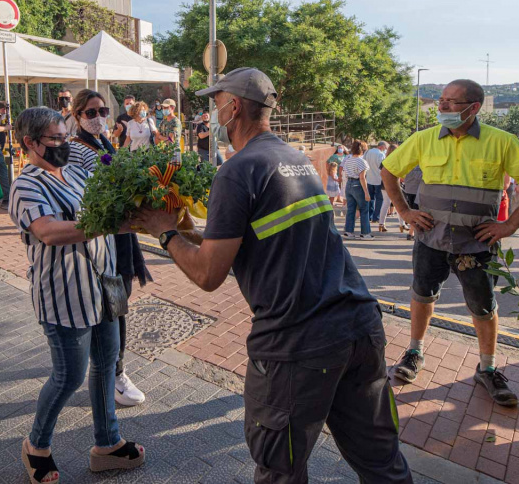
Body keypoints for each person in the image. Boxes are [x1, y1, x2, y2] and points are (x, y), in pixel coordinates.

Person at [134, 67, 411, 483]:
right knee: (380, 460)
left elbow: (209, 274)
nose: (213, 112)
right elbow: (255, 242)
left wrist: (164, 231)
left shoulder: (237, 170)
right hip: (359, 326)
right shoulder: (295, 160)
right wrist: (189, 229)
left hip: (298, 342)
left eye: (216, 103)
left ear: (235, 107)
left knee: (279, 467)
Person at [381, 79, 519, 406]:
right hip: (430, 240)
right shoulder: (424, 138)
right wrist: (405, 211)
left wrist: (509, 225)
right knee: (422, 295)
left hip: (476, 246)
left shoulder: (501, 142)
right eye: (441, 100)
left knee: (483, 306)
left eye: (450, 102)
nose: (441, 107)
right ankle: (414, 352)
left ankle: (487, 368)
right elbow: (389, 171)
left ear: (473, 108)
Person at [9, 106, 145, 484]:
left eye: (64, 137)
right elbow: (49, 231)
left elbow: (108, 199)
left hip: (103, 285)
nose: (62, 144)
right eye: (54, 139)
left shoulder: (77, 172)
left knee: (106, 365)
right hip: (64, 293)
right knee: (69, 377)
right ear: (30, 143)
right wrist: (108, 222)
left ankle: (108, 444)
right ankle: (36, 446)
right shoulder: (27, 184)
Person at [67, 90, 152, 408]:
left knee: (117, 303)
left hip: (120, 236)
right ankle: (114, 374)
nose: (98, 117)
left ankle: (107, 366)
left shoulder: (104, 143)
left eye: (102, 111)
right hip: (104, 238)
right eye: (90, 112)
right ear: (76, 116)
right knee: (114, 306)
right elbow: (81, 194)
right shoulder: (75, 149)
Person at [340, 141, 373, 240]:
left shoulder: (348, 159)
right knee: (364, 209)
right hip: (358, 185)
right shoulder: (362, 161)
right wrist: (366, 193)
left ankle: (348, 231)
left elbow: (344, 172)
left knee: (351, 209)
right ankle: (365, 233)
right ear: (362, 149)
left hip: (349, 184)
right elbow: (362, 178)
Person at [363, 141, 388, 230]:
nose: (385, 149)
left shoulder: (368, 152)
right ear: (382, 147)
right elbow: (382, 167)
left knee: (370, 198)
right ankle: (376, 217)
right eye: (385, 147)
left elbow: (364, 163)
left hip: (369, 179)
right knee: (379, 199)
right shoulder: (381, 154)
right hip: (378, 179)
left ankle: (369, 216)